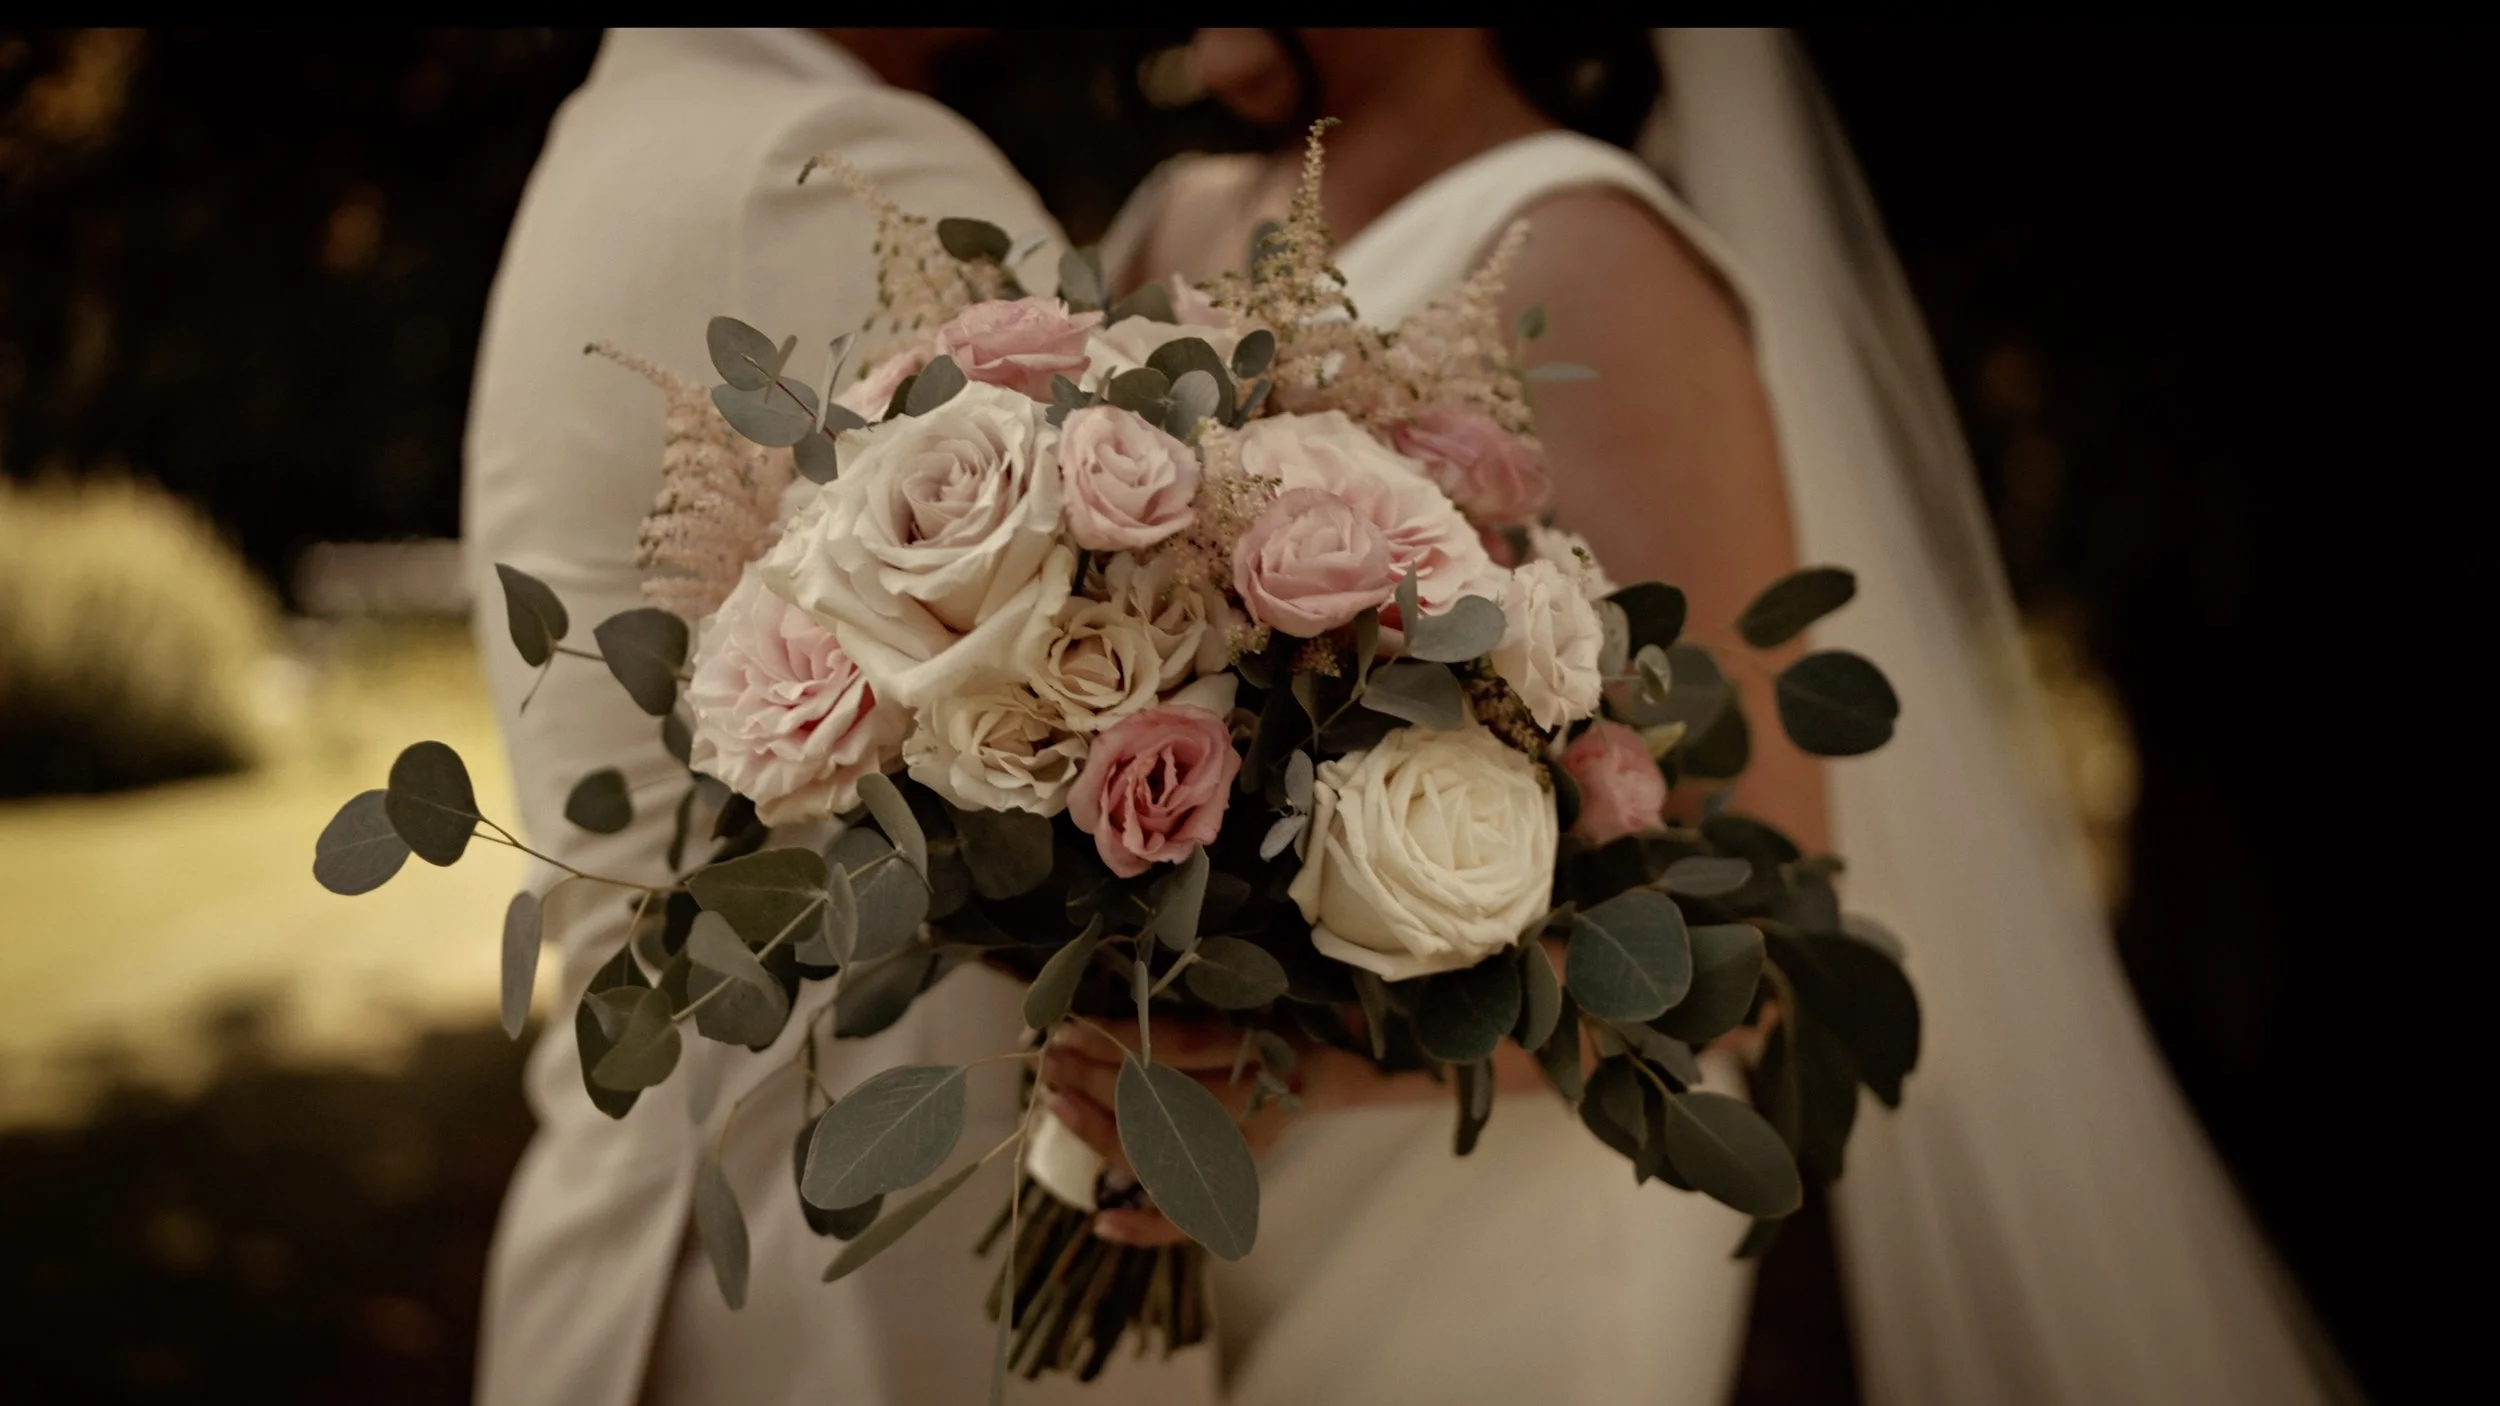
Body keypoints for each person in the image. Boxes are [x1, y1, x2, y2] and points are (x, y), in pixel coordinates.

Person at [1060, 27, 2363, 1406]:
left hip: (1486, 1207)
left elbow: (1763, 911)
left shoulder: (1590, 254)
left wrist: (1299, 1061)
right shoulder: (1167, 224)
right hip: (1167, 1168)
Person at [462, 28, 1212, 1405]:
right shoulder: (823, 167)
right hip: (860, 1290)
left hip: (659, 1247)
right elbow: (1184, 614)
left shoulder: (621, 134)